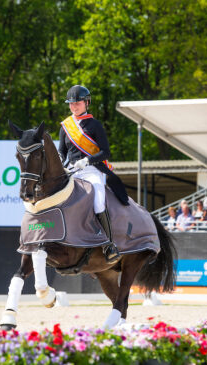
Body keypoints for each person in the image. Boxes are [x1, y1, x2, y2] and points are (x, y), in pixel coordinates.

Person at [58, 85, 128, 263]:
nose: (74, 106)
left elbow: (106, 152)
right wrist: (60, 163)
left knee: (97, 198)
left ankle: (108, 245)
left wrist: (87, 160)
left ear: (86, 103)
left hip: (91, 170)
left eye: (77, 103)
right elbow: (62, 152)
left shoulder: (95, 125)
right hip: (72, 170)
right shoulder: (66, 126)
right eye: (71, 104)